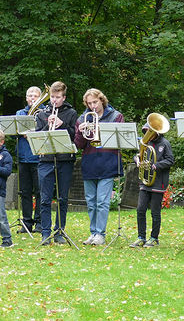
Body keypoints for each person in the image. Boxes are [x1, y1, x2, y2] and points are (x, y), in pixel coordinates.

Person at [75, 88, 124, 246]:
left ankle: (100, 234)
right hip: (90, 162)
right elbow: (78, 145)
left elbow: (121, 140)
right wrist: (81, 132)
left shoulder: (116, 117)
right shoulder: (83, 118)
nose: (92, 106)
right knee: (90, 201)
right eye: (89, 103)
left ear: (102, 100)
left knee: (102, 201)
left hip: (108, 161)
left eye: (95, 102)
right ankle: (93, 232)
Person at [34, 81, 78, 245]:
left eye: (58, 97)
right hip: (45, 160)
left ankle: (59, 231)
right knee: (44, 198)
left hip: (65, 160)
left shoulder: (71, 113)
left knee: (62, 198)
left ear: (63, 97)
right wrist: (48, 124)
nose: (54, 101)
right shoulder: (41, 113)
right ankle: (45, 233)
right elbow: (37, 135)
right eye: (52, 97)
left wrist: (62, 124)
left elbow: (75, 136)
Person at [131, 118, 174, 248]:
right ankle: (141, 237)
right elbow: (138, 155)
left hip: (158, 182)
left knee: (155, 212)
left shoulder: (164, 143)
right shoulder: (145, 143)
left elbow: (170, 160)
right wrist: (137, 159)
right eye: (146, 131)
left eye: (149, 131)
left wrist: (157, 165)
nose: (147, 134)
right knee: (140, 209)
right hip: (145, 181)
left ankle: (154, 237)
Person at [15, 86, 43, 233]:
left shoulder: (44, 112)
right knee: (25, 192)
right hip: (23, 157)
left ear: (40, 98)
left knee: (39, 192)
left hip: (39, 157)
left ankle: (39, 222)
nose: (32, 98)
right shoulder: (20, 113)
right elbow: (13, 133)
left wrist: (34, 133)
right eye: (29, 95)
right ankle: (26, 223)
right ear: (26, 98)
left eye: (35, 95)